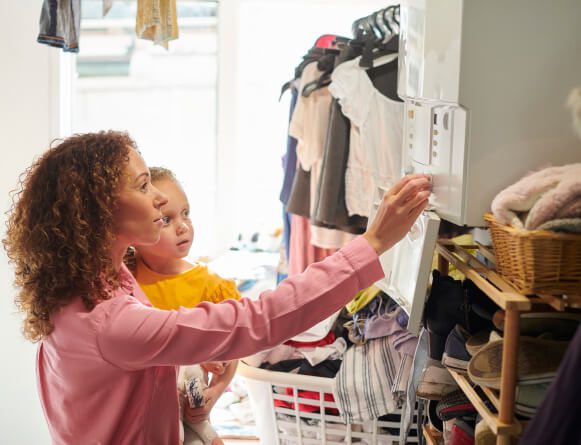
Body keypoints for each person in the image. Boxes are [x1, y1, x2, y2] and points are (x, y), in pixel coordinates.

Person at [3, 131, 431, 444]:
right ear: (99, 211)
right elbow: (256, 320)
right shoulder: (107, 319)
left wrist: (187, 369)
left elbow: (118, 381)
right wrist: (371, 244)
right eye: (142, 185)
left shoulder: (89, 283)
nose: (158, 199)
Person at [129, 166, 241, 445]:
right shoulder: (126, 280)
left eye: (186, 213)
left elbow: (231, 351)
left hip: (190, 411)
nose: (183, 226)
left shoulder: (211, 285)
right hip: (141, 415)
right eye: (166, 219)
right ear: (135, 232)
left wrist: (215, 393)